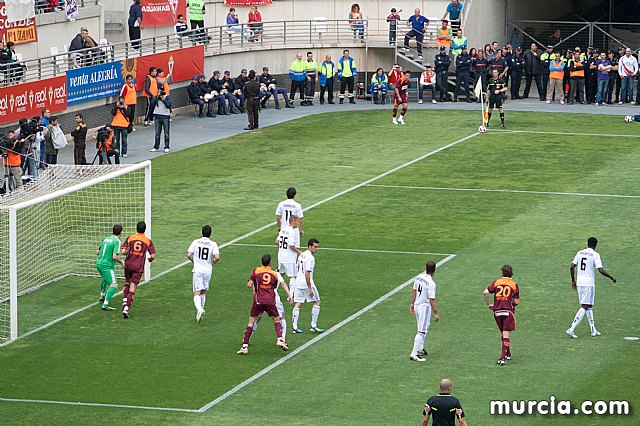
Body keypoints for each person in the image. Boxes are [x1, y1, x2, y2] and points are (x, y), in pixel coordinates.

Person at [237, 254, 289, 355]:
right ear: (270, 262)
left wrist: (251, 281)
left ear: (261, 262)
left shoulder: (256, 271)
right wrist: (290, 295)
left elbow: (249, 285)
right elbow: (282, 284)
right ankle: (280, 339)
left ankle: (245, 346)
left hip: (258, 300)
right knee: (277, 320)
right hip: (270, 300)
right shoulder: (274, 273)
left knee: (251, 322)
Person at [566, 237, 616, 339]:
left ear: (587, 243)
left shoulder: (580, 253)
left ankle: (593, 329)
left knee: (588, 306)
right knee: (584, 306)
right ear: (596, 245)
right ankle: (571, 328)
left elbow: (571, 266)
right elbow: (600, 270)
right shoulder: (595, 255)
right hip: (589, 283)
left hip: (580, 282)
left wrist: (573, 281)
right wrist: (611, 277)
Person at [484, 264, 520, 366]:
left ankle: (508, 354)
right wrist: (510, 302)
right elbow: (516, 301)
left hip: (497, 312)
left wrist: (489, 305)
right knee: (506, 334)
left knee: (503, 333)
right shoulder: (514, 285)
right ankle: (502, 358)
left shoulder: (496, 282)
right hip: (508, 312)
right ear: (511, 274)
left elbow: (485, 292)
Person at [120, 221, 155, 319]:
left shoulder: (130, 238)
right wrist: (150, 259)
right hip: (138, 266)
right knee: (133, 286)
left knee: (127, 281)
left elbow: (123, 251)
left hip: (128, 264)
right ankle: (126, 307)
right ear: (145, 229)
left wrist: (129, 252)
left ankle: (124, 300)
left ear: (136, 228)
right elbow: (152, 256)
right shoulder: (147, 241)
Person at [187, 225, 220, 323]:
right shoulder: (213, 244)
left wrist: (194, 261)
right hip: (207, 270)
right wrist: (213, 262)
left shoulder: (195, 242)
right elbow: (217, 257)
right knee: (203, 291)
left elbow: (189, 254)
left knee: (196, 292)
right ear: (210, 233)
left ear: (202, 232)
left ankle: (199, 310)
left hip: (198, 270)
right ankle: (200, 311)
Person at [291, 238, 324, 334]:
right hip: (306, 283)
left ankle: (294, 326)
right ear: (310, 246)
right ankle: (313, 325)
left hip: (298, 282)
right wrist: (310, 288)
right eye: (315, 247)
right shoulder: (310, 258)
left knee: (298, 303)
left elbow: (297, 268)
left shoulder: (302, 254)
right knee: (317, 302)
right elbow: (307, 273)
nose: (316, 249)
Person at [409, 260, 439, 362]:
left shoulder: (418, 277)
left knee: (424, 325)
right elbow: (431, 299)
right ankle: (414, 353)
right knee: (421, 331)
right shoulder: (431, 283)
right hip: (424, 307)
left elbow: (414, 290)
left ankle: (420, 348)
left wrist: (412, 303)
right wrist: (436, 313)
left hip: (417, 305)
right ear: (434, 270)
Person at [96, 224, 125, 310]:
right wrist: (122, 262)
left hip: (99, 263)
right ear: (121, 232)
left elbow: (97, 252)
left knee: (105, 278)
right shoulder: (117, 241)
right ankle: (105, 304)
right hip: (107, 266)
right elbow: (114, 256)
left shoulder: (106, 239)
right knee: (114, 284)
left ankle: (102, 295)